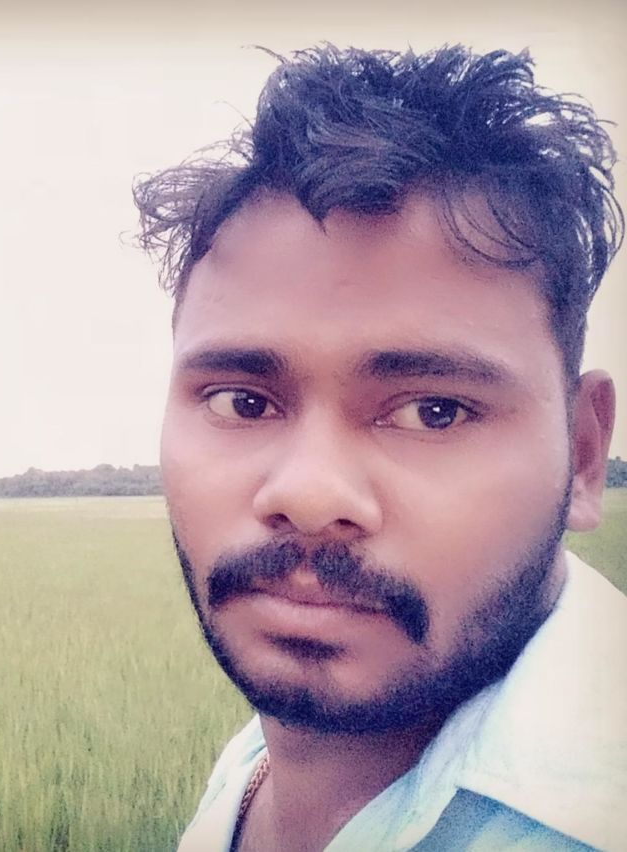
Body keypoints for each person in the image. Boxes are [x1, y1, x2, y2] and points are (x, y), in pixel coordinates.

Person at [134, 44, 626, 851]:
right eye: (242, 401)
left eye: (434, 411)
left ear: (580, 454)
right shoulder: (250, 764)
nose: (309, 494)